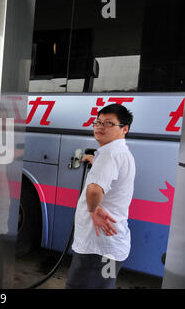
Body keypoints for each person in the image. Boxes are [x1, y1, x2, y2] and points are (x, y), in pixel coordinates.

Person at [65, 103, 135, 289]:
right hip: (112, 247)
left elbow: (95, 189)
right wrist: (93, 160)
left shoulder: (109, 155)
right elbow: (110, 171)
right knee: (105, 284)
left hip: (95, 248)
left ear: (124, 129)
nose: (100, 127)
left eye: (108, 123)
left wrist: (93, 209)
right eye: (98, 122)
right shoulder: (121, 153)